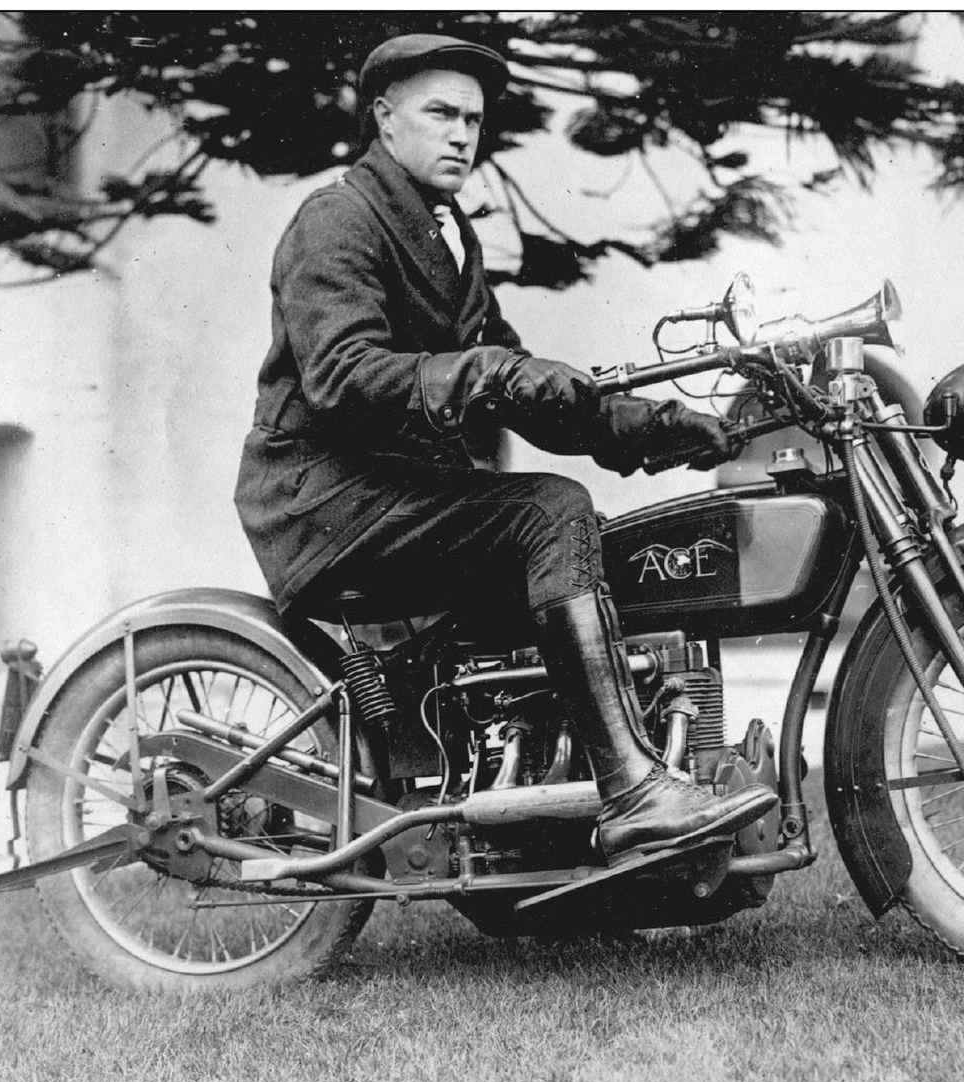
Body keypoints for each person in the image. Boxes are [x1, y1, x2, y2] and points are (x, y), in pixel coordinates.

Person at [235, 33, 776, 866]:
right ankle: (631, 789)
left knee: (585, 539)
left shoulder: (448, 235)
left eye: (474, 120)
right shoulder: (337, 219)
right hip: (324, 500)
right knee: (550, 510)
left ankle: (562, 807)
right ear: (384, 118)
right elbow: (341, 374)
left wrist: (657, 426)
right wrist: (486, 370)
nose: (461, 134)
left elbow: (530, 392)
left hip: (392, 492)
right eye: (440, 113)